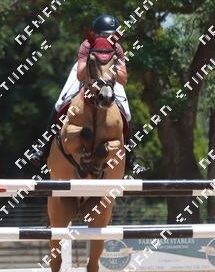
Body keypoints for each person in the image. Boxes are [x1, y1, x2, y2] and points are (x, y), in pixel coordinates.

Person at [29, 14, 146, 173]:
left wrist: (110, 69)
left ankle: (130, 158)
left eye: (111, 36)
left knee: (126, 112)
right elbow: (80, 75)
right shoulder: (86, 45)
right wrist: (94, 63)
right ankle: (42, 149)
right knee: (61, 102)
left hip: (109, 80)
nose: (107, 40)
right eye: (104, 36)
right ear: (95, 34)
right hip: (87, 76)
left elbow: (123, 79)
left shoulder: (117, 48)